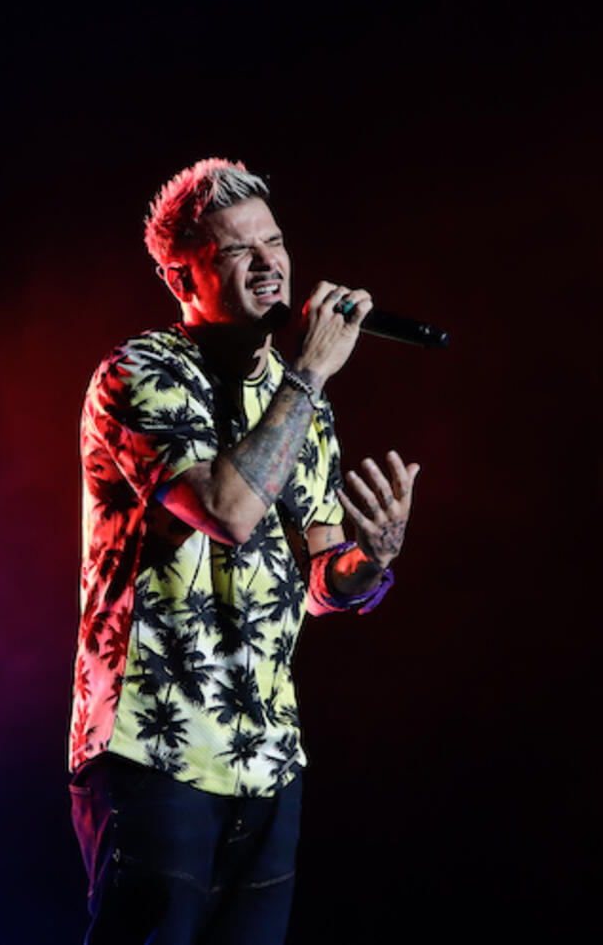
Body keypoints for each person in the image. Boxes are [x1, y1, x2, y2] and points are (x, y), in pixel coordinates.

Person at [67, 158, 421, 944]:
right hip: (154, 745)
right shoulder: (139, 374)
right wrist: (311, 375)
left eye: (276, 241)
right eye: (237, 251)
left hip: (269, 756)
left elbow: (323, 582)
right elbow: (225, 510)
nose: (270, 264)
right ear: (179, 277)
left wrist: (374, 561)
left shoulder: (305, 409)